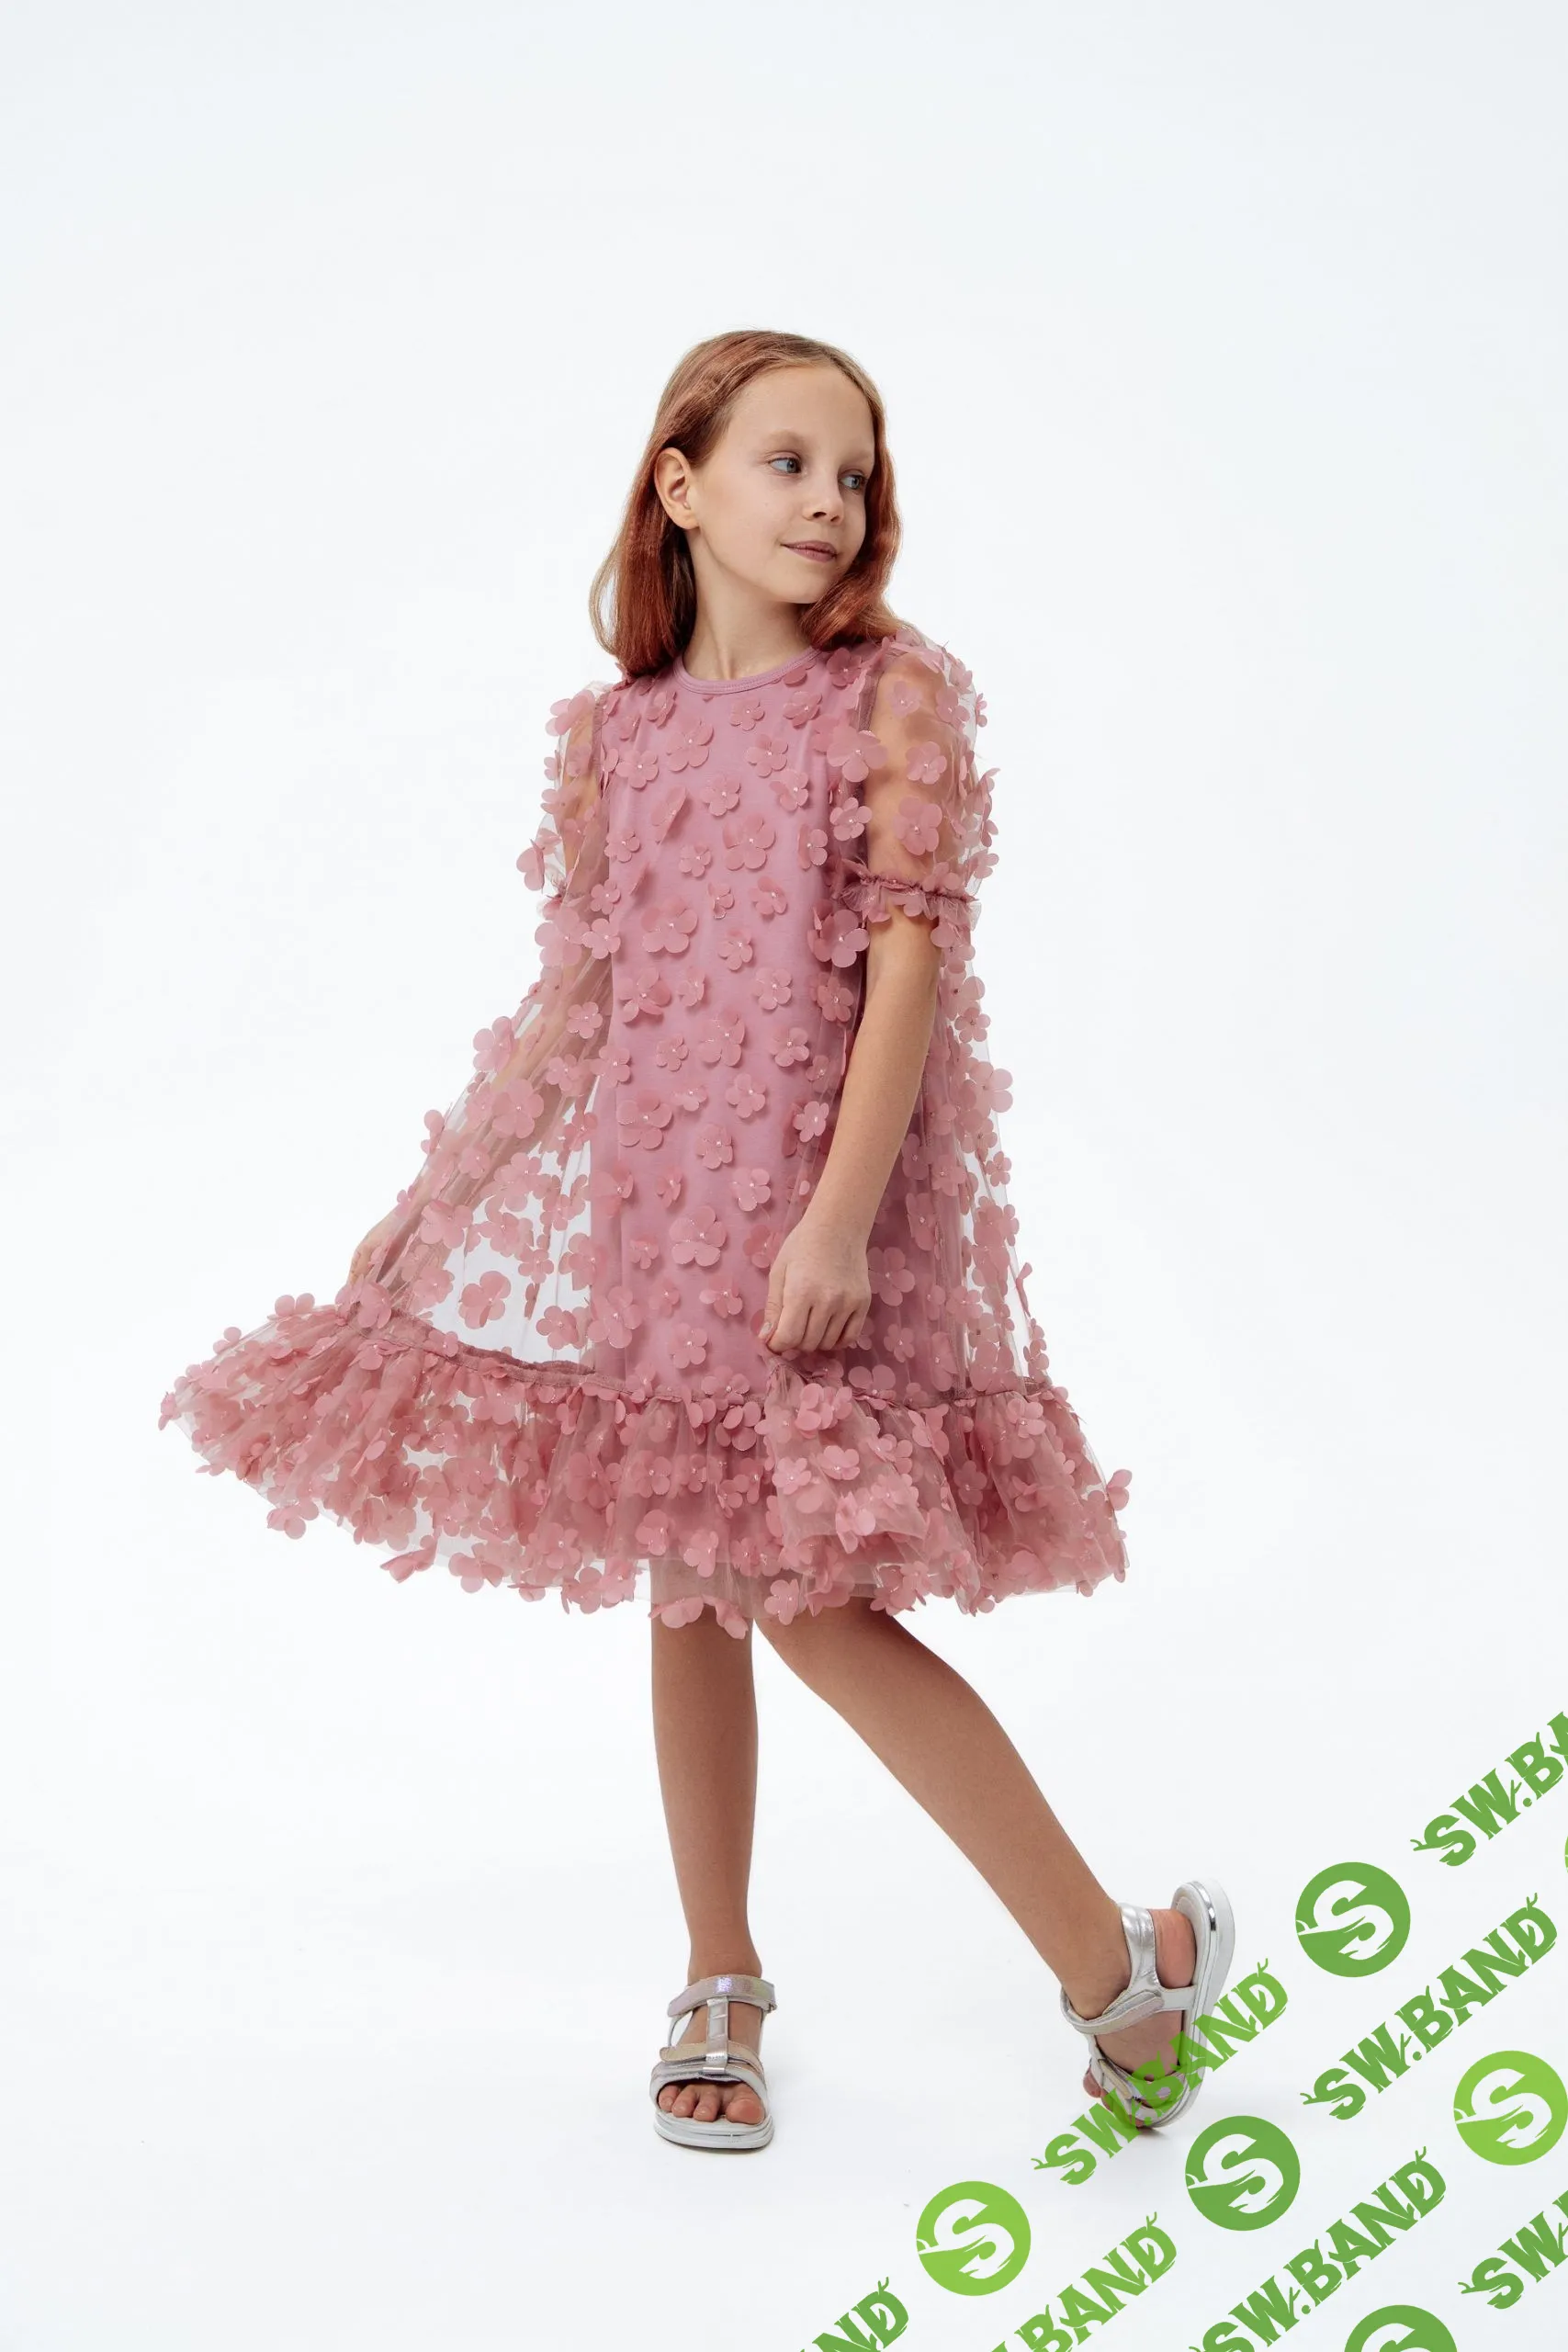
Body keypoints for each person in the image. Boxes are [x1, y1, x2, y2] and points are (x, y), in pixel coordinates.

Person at [160, 327, 1232, 2156]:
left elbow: (909, 962)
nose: (830, 502)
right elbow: (579, 996)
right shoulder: (616, 735)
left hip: (818, 1213)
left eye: (854, 474)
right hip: (662, 1205)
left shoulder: (891, 697)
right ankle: (717, 1970)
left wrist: (834, 1219)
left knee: (811, 1599)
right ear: (680, 485)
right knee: (689, 1582)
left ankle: (1114, 1966)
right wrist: (442, 1195)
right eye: (786, 464)